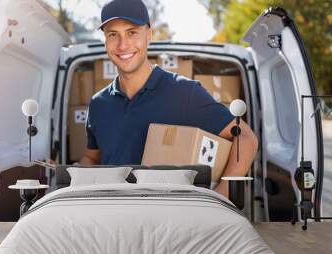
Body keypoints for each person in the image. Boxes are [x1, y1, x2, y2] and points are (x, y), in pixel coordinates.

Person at [78, 0, 258, 198]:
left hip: (169, 219)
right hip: (113, 213)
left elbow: (246, 138)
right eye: (113, 35)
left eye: (132, 32)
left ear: (149, 35)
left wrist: (221, 195)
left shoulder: (185, 93)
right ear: (105, 40)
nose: (122, 44)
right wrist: (74, 172)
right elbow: (92, 157)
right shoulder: (99, 104)